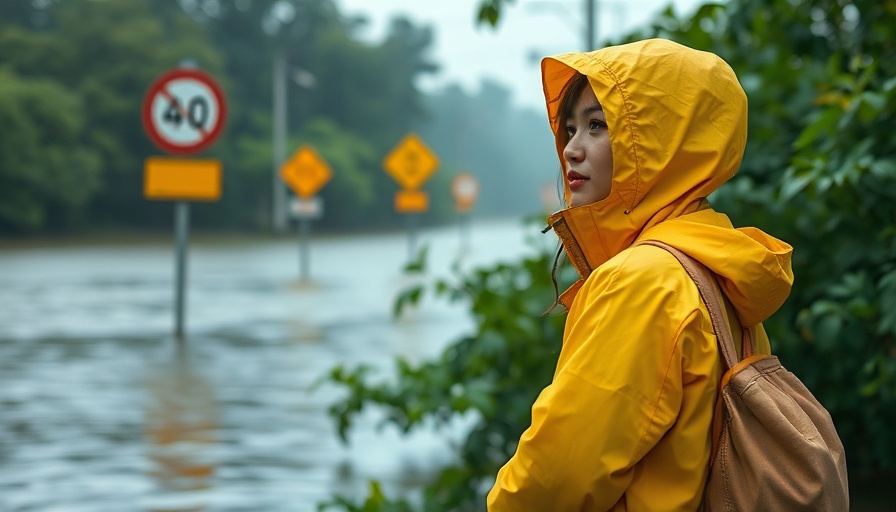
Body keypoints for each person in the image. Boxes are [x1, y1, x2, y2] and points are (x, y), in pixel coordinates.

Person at [486, 39, 794, 511]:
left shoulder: (644, 280)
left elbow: (556, 478)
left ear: (661, 144)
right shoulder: (712, 265)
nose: (571, 149)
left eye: (597, 125)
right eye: (570, 129)